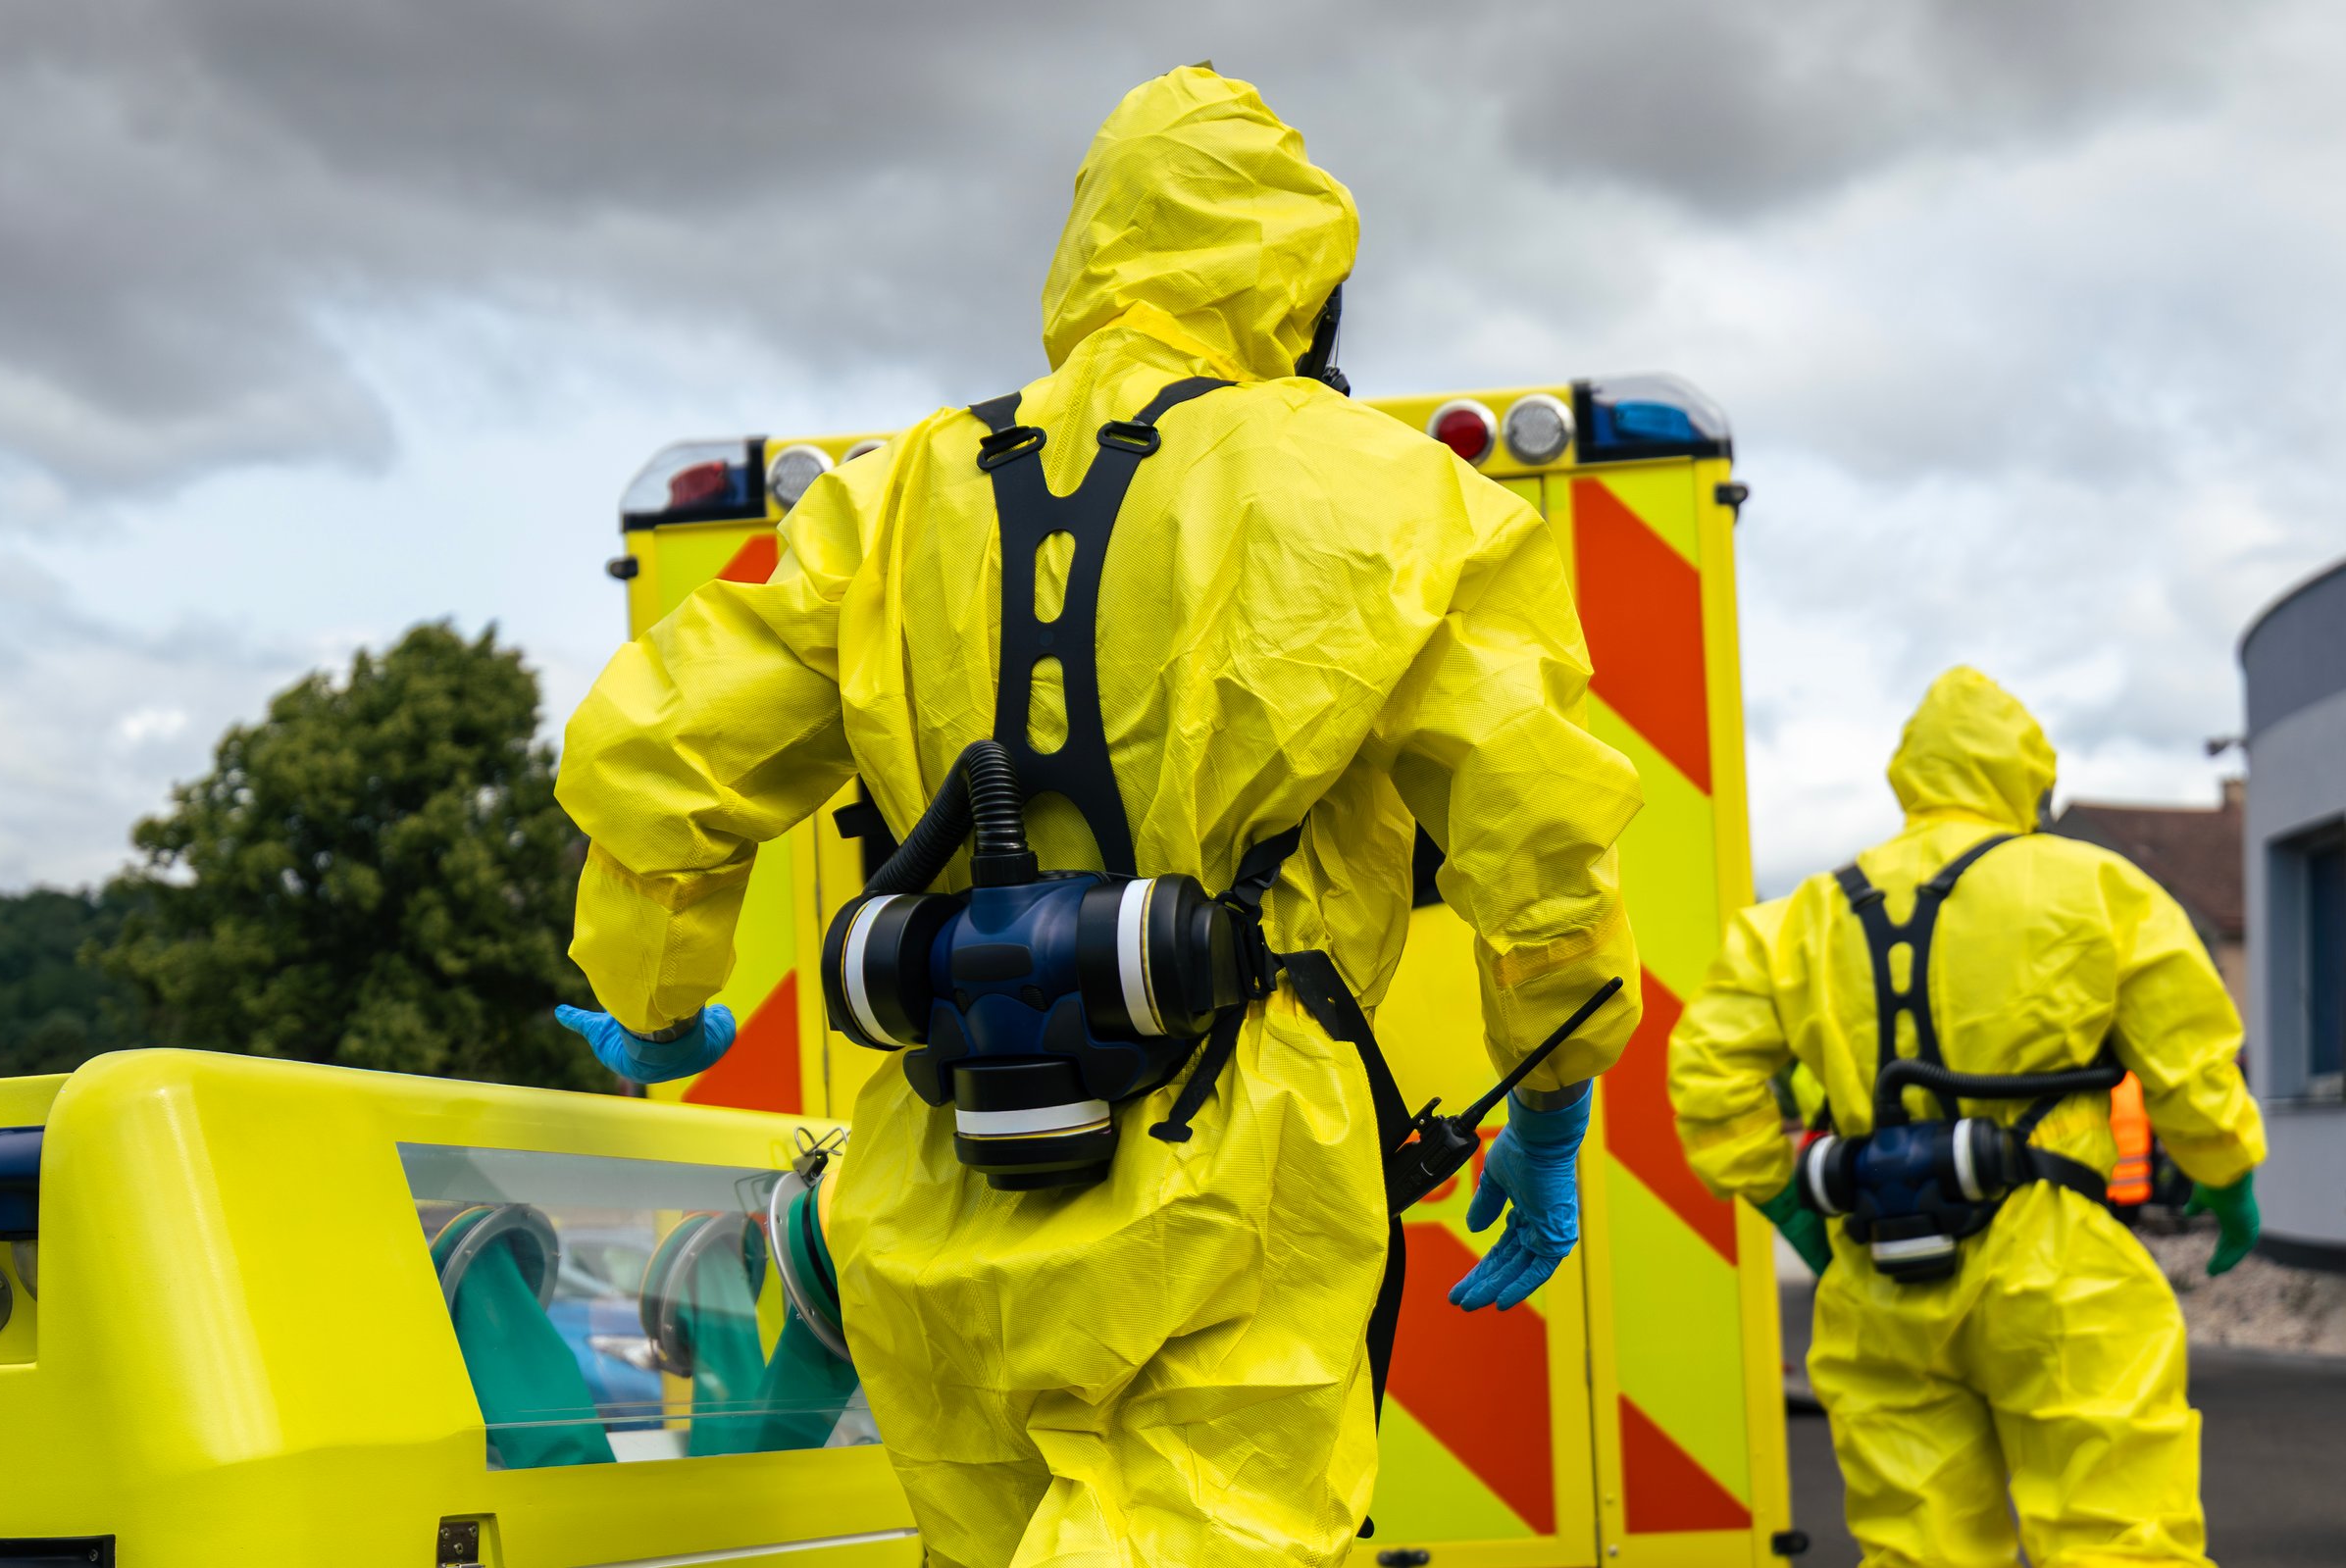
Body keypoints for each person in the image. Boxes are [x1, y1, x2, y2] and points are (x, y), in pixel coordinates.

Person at [551, 66, 1643, 1568]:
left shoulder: (890, 499)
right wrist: (1551, 1110)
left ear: (1084, 255)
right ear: (1307, 279)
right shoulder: (1399, 503)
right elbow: (1544, 850)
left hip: (942, 1182)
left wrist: (661, 1007)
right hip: (1243, 1172)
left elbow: (659, 762)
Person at [1669, 666, 2265, 1568]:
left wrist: (1789, 1204)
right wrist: (2227, 1179)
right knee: (2120, 1537)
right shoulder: (2100, 888)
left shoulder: (1796, 920)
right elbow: (2189, 1061)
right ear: (2026, 773)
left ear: (1910, 774)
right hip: (2060, 1267)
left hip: (1879, 1269)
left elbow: (1709, 1079)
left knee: (1919, 1547)